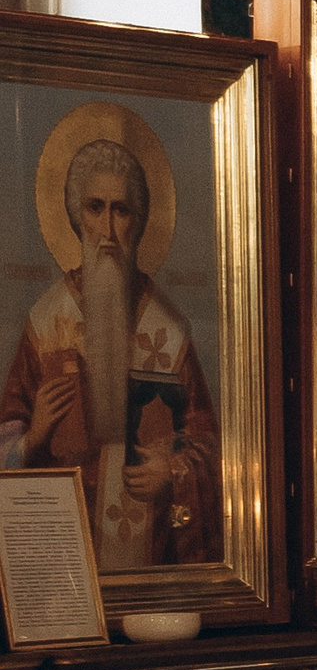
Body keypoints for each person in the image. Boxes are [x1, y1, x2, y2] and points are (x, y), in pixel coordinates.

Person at [1, 130, 220, 563]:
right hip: (67, 556)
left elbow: (208, 444)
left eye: (121, 211)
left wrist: (172, 470)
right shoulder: (45, 324)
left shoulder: (170, 330)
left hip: (152, 555)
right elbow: (8, 433)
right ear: (74, 215)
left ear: (137, 222)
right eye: (94, 208)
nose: (107, 229)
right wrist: (32, 438)